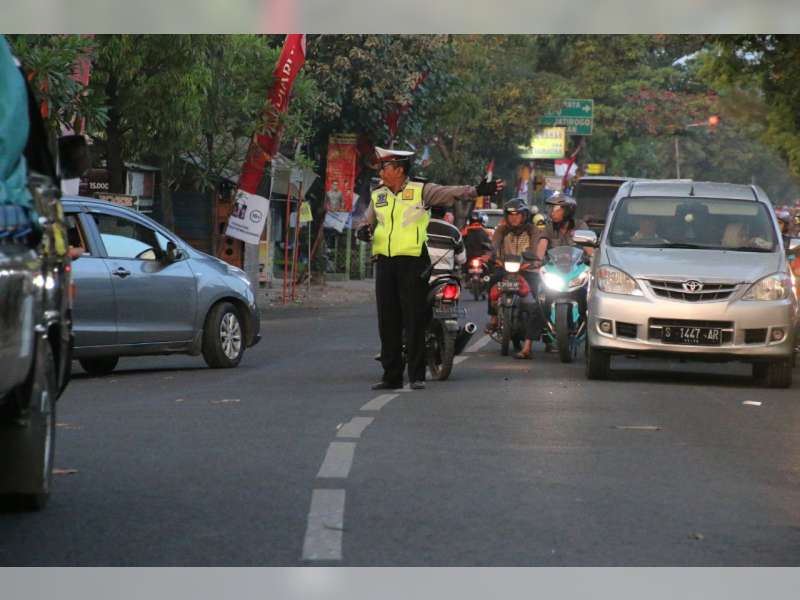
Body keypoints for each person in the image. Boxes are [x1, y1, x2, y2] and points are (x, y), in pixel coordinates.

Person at [356, 146, 504, 390]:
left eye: (385, 167)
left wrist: (476, 191)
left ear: (399, 169)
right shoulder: (378, 195)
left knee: (414, 318)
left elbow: (450, 193)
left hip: (414, 261)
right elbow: (367, 222)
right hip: (384, 263)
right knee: (388, 321)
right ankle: (391, 376)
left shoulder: (421, 190)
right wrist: (363, 230)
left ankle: (416, 376)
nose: (381, 171)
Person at [512, 192, 588, 359]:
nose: (552, 212)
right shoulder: (548, 227)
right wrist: (538, 260)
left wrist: (594, 259)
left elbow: (589, 248)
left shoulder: (580, 226)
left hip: (577, 273)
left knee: (591, 301)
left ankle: (593, 343)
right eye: (552, 208)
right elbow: (542, 243)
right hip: (555, 274)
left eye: (556, 209)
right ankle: (527, 347)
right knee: (540, 304)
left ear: (568, 211)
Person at [484, 198, 546, 358]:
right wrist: (489, 256)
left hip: (527, 269)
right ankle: (493, 318)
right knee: (492, 280)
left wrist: (534, 260)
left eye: (517, 214)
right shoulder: (501, 229)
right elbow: (494, 245)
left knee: (538, 301)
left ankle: (527, 347)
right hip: (505, 268)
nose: (514, 218)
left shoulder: (533, 230)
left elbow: (535, 249)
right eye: (510, 214)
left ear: (524, 215)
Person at [427, 207, 466, 282]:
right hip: (444, 279)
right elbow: (462, 259)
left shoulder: (421, 227)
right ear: (444, 214)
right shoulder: (454, 231)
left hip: (423, 276)